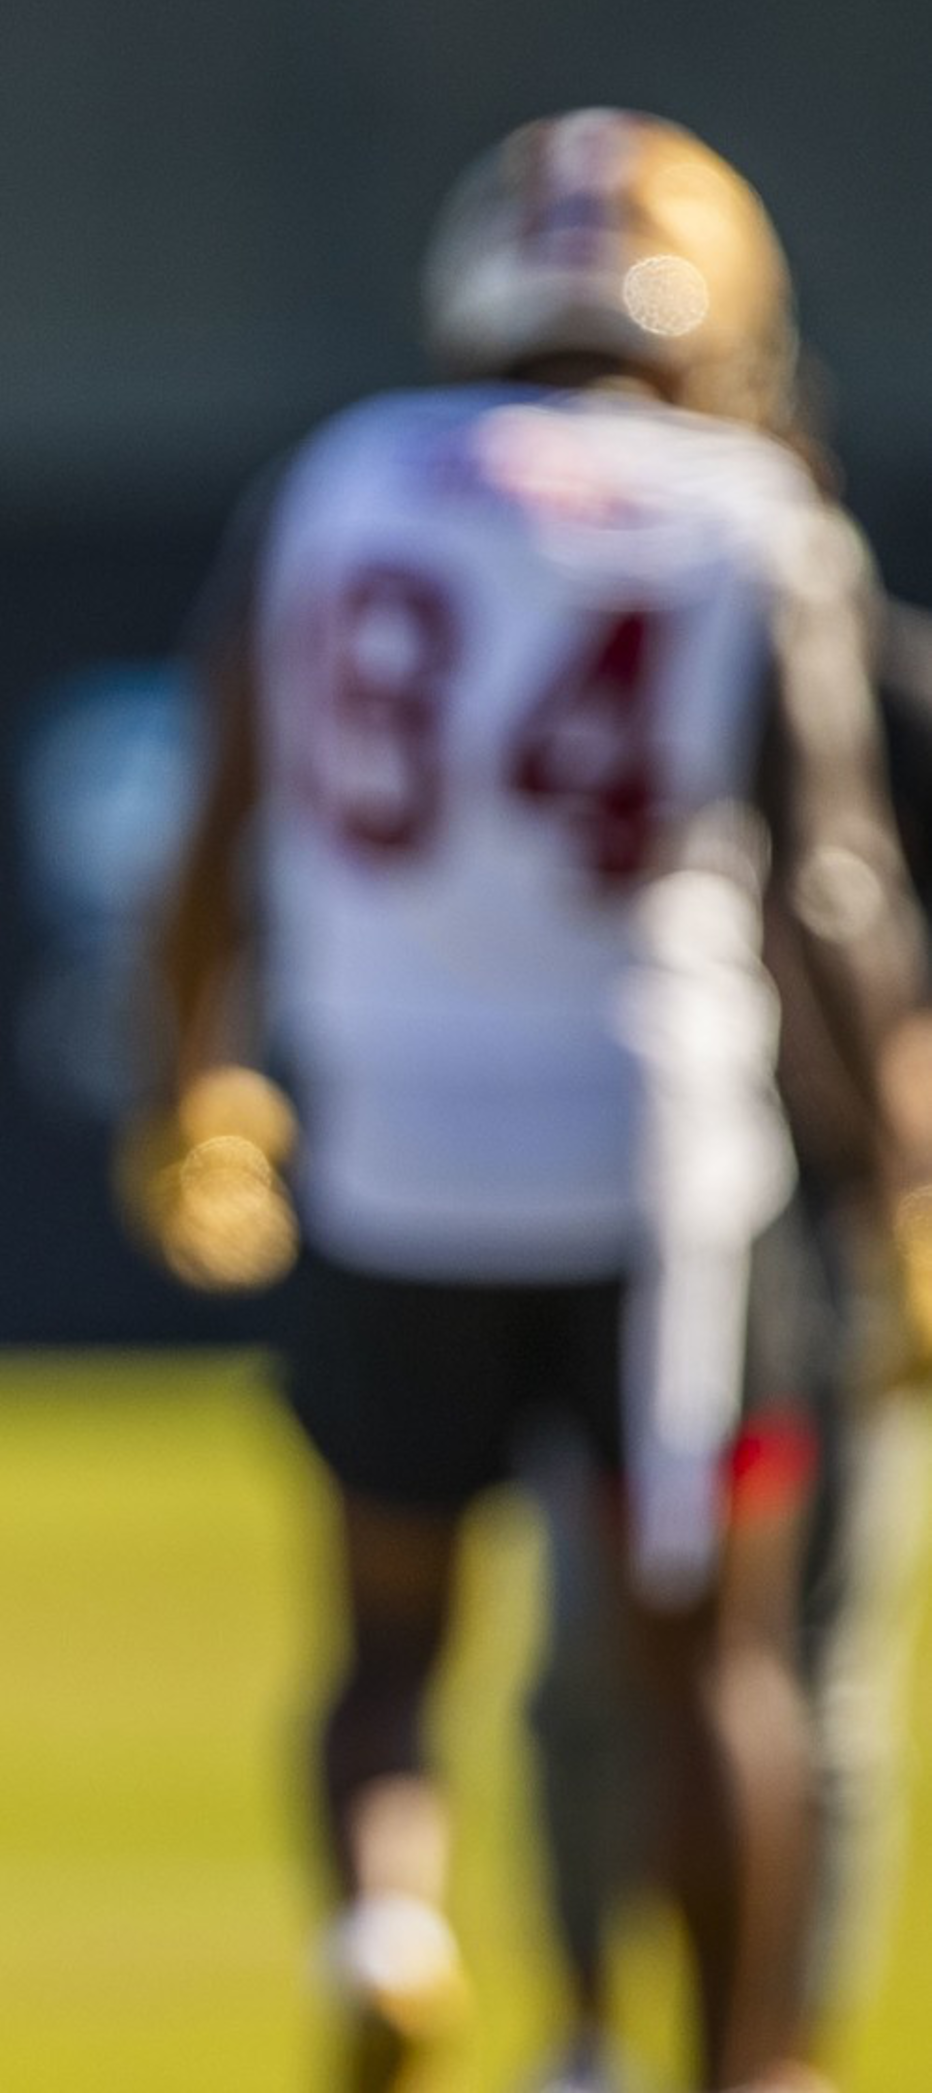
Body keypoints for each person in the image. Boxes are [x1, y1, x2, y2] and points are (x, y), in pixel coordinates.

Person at [127, 108, 932, 2093]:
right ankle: (737, 2061)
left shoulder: (335, 482)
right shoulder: (742, 513)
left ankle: (385, 1920)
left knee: (387, 1637)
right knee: (708, 1666)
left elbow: (205, 833)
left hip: (390, 1141)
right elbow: (824, 890)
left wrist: (183, 1077)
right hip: (655, 1157)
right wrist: (905, 1169)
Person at [523, 589, 932, 2093]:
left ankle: (777, 2051)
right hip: (650, 1224)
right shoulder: (620, 626)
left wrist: (908, 1170)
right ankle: (588, 2034)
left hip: (825, 1227)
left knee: (809, 1674)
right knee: (602, 1662)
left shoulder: (882, 678)